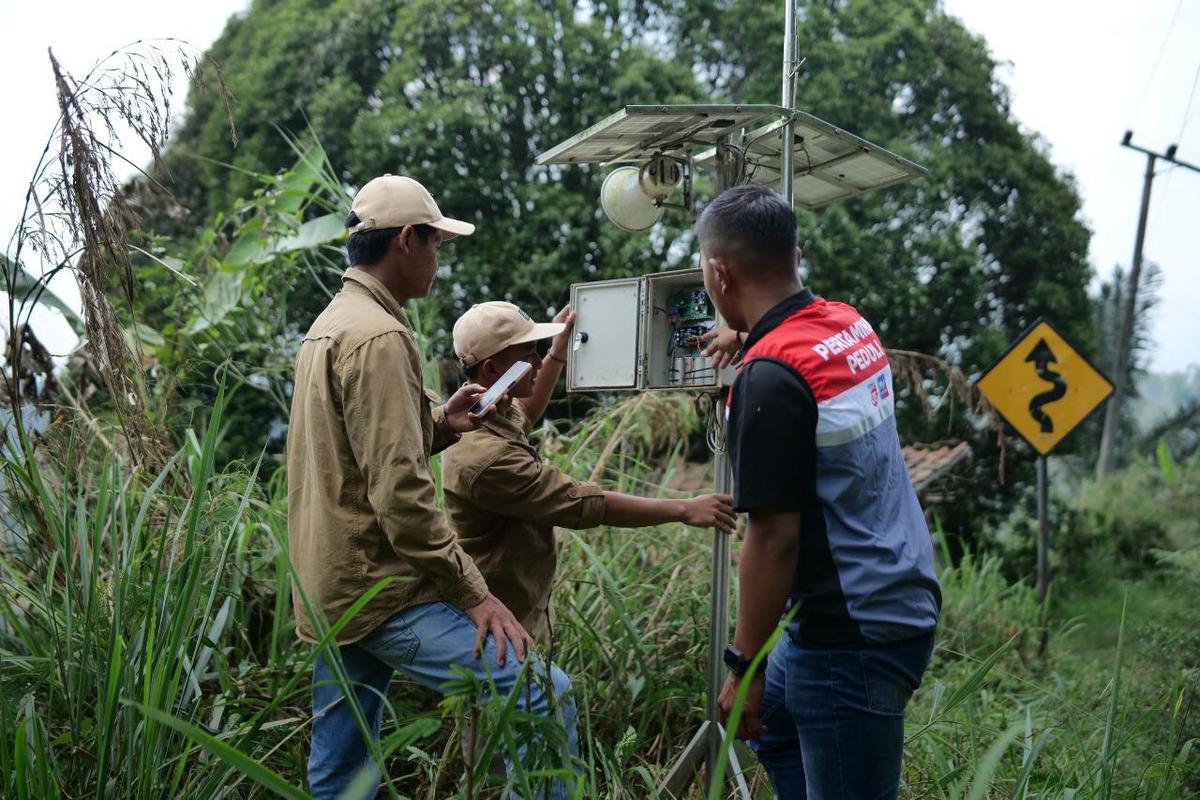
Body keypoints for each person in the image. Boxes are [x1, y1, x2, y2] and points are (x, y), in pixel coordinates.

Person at [287, 175, 572, 799]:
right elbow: (399, 492)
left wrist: (442, 423)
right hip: (380, 589)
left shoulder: (329, 325)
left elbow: (356, 458)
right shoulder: (381, 337)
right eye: (437, 244)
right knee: (542, 693)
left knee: (340, 775)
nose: (439, 260)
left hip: (331, 590)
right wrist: (474, 594)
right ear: (407, 241)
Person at [699, 185, 941, 799]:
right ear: (794, 255)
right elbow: (802, 359)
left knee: (764, 706)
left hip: (848, 636)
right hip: (897, 589)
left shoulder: (768, 380)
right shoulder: (847, 325)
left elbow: (773, 538)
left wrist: (743, 665)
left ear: (720, 273)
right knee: (774, 725)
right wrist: (748, 338)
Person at [441, 300, 738, 643]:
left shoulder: (491, 411)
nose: (537, 361)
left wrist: (557, 352)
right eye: (529, 354)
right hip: (494, 626)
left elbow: (527, 411)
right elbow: (581, 504)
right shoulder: (488, 457)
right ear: (493, 370)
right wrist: (684, 509)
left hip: (517, 612)